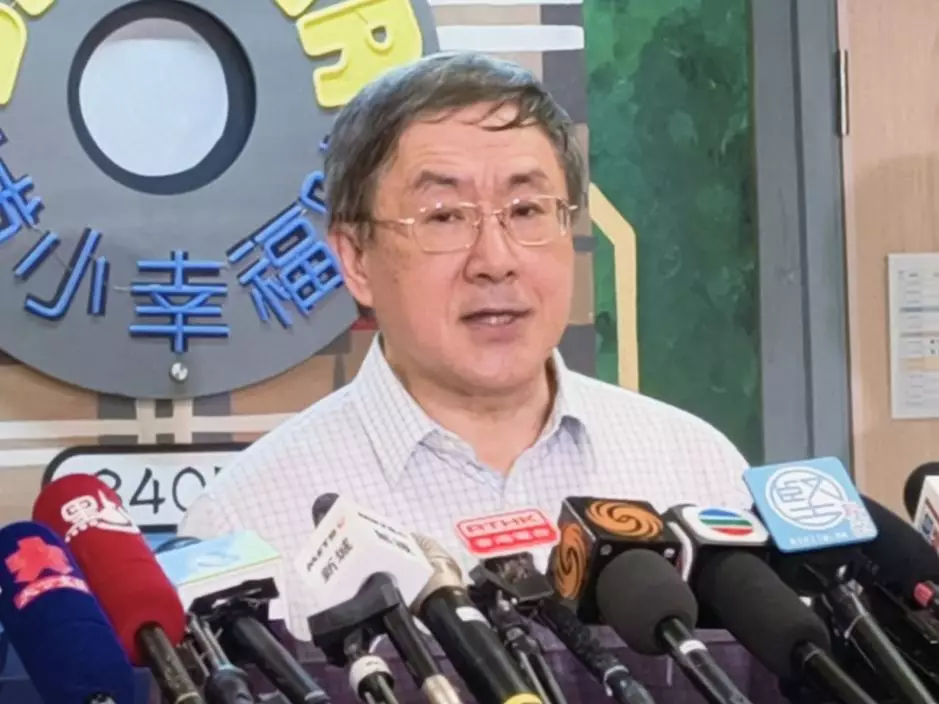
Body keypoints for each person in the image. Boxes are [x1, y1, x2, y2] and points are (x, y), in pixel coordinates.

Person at [180, 52, 750, 639]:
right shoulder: (246, 525)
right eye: (444, 217)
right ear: (355, 260)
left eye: (526, 210)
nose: (495, 261)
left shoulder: (697, 470)